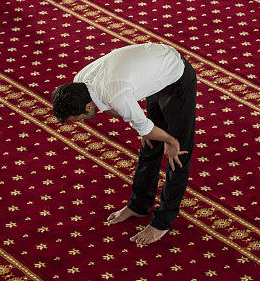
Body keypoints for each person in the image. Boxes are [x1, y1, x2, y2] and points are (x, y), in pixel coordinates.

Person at [51, 42, 197, 246]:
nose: (82, 122)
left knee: (178, 154)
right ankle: (139, 205)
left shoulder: (114, 92)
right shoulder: (80, 83)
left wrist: (170, 140)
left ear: (87, 106)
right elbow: (110, 105)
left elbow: (114, 99)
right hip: (154, 72)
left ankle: (163, 221)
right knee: (149, 145)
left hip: (176, 77)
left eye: (81, 118)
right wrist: (142, 125)